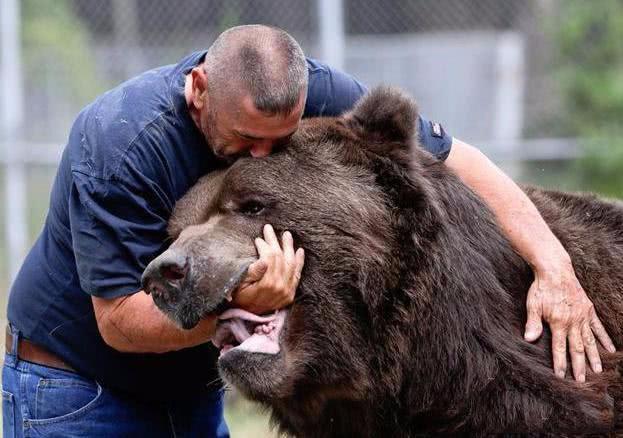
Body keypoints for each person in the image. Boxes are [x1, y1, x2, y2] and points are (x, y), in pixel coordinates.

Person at [3, 25, 615, 437]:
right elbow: (117, 323)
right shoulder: (119, 144)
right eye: (247, 142)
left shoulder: (296, 95)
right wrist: (237, 305)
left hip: (183, 395)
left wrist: (554, 267)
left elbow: (457, 157)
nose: (266, 152)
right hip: (77, 391)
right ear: (199, 90)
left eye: (281, 139)